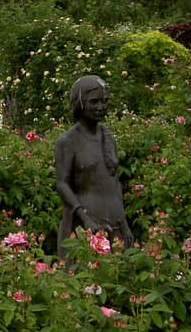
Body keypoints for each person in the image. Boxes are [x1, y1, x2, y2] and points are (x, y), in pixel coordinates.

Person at [55, 75, 134, 257]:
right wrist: (85, 217)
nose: (101, 107)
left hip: (115, 225)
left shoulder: (108, 136)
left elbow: (114, 184)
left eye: (104, 101)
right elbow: (62, 184)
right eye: (94, 102)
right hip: (84, 228)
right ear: (80, 102)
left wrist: (124, 223)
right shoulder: (67, 141)